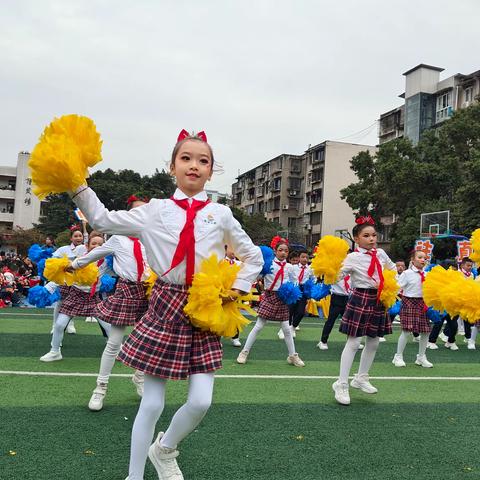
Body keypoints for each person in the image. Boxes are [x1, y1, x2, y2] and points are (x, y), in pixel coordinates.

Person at [70, 130, 263, 480]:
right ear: (171, 166)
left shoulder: (220, 214)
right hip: (164, 305)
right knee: (152, 402)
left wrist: (238, 285)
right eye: (186, 158)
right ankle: (133, 475)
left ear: (211, 170)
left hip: (204, 309)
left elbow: (252, 256)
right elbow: (101, 220)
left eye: (203, 160)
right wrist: (75, 183)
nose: (194, 166)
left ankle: (164, 449)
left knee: (202, 401)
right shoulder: (154, 211)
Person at [69, 197, 150, 411]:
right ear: (127, 215)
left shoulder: (151, 239)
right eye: (137, 212)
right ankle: (100, 388)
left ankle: (139, 378)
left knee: (147, 342)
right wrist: (73, 265)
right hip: (126, 291)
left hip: (149, 293)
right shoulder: (117, 239)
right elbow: (94, 254)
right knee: (114, 342)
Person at [332, 216, 396, 406]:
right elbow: (337, 274)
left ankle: (361, 378)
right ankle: (341, 384)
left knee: (374, 341)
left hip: (379, 299)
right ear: (356, 238)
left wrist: (391, 284)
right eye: (366, 235)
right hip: (360, 298)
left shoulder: (381, 254)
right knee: (353, 342)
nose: (372, 239)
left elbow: (392, 269)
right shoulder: (352, 257)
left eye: (374, 235)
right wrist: (329, 269)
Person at [40, 231, 111, 362]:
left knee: (108, 326)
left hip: (93, 297)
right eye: (93, 243)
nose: (96, 246)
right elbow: (64, 271)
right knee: (60, 324)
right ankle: (55, 351)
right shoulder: (80, 257)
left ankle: (119, 350)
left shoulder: (107, 262)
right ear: (87, 245)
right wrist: (48, 288)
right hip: (75, 295)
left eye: (100, 244)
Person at [237, 237, 305, 367]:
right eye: (280, 250)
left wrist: (292, 289)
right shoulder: (268, 264)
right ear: (275, 251)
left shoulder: (290, 267)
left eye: (286, 250)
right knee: (259, 326)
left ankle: (293, 355)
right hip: (269, 295)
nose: (283, 253)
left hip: (283, 298)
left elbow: (295, 280)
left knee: (286, 328)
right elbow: (259, 277)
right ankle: (244, 352)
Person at [392, 250, 433, 368]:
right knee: (406, 331)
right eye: (419, 257)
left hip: (422, 303)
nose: (422, 260)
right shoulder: (407, 273)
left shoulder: (427, 274)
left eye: (424, 258)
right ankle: (398, 356)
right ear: (412, 260)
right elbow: (397, 288)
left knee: (425, 331)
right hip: (409, 301)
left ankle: (421, 357)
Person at [50, 224, 88, 334]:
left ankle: (70, 324)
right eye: (75, 236)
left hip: (78, 281)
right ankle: (55, 325)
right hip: (64, 280)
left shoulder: (86, 249)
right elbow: (53, 262)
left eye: (80, 236)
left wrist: (84, 226)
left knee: (73, 303)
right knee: (60, 302)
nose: (78, 238)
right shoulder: (63, 249)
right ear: (71, 238)